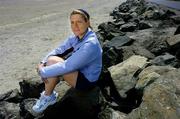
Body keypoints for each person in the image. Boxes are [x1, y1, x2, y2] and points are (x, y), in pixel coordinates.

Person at [32, 9, 102, 113]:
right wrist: (43, 62)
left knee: (53, 65)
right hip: (80, 71)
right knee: (51, 60)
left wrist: (43, 71)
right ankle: (49, 94)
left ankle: (48, 97)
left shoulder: (90, 44)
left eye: (79, 22)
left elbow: (67, 67)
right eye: (72, 22)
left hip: (87, 81)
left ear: (88, 22)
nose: (75, 26)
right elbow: (59, 50)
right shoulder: (77, 37)